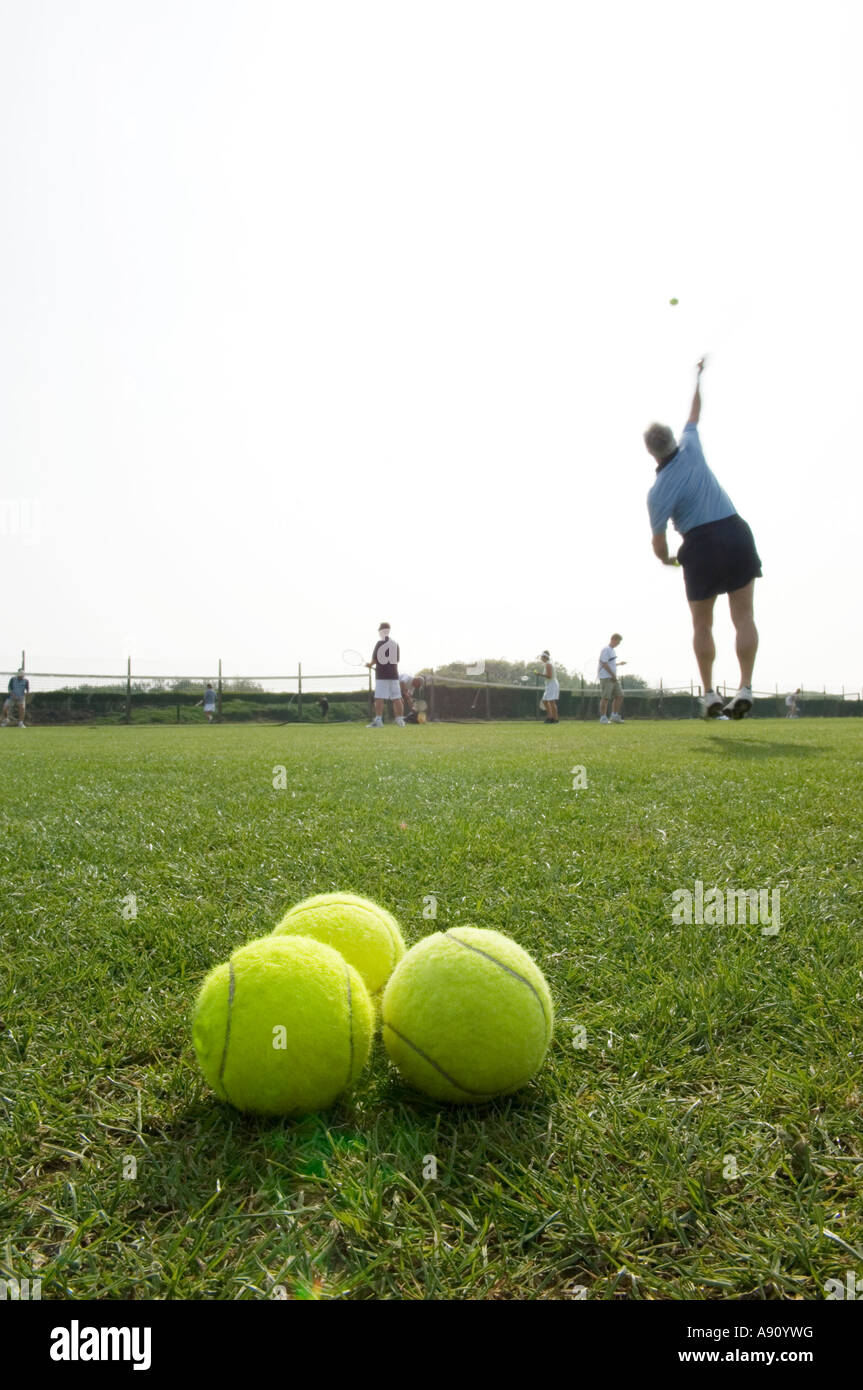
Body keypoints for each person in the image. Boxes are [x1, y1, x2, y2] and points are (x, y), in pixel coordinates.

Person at [646, 358, 762, 720]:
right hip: (735, 531)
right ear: (673, 441)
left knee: (703, 625)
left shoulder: (657, 491)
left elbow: (660, 544)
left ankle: (710, 694)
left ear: (651, 452)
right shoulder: (692, 446)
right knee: (743, 617)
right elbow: (695, 411)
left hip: (699, 545)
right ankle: (745, 687)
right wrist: (698, 376)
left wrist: (667, 560)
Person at [366, 623, 405, 728]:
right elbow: (396, 661)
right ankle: (400, 721)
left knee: (379, 698)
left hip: (382, 676)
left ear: (381, 631)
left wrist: (369, 665)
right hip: (394, 675)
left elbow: (374, 660)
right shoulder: (395, 644)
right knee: (397, 698)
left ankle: (378, 720)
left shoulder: (379, 643)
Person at [597, 635, 624, 723]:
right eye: (618, 641)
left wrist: (619, 664)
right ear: (613, 639)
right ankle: (603, 718)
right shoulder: (606, 649)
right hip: (606, 677)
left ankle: (614, 715)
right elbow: (604, 663)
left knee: (619, 695)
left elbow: (610, 664)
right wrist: (612, 675)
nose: (618, 644)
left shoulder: (612, 651)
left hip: (613, 677)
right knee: (605, 698)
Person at [538, 651, 559, 723]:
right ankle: (550, 717)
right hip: (549, 685)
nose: (541, 658)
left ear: (545, 657)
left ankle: (555, 719)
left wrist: (539, 674)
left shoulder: (548, 664)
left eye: (541, 657)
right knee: (545, 701)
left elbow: (549, 676)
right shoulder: (547, 664)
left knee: (551, 702)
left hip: (552, 684)